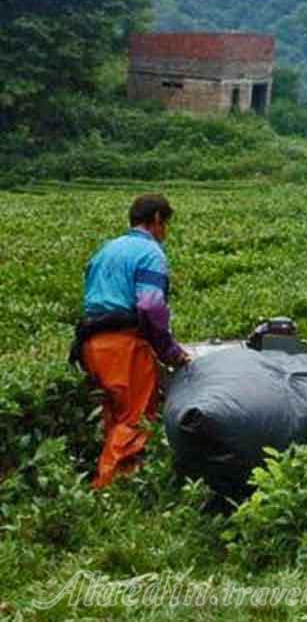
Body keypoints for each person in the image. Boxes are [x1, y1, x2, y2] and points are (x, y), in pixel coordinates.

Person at [70, 194, 189, 489]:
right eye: (166, 224)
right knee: (135, 419)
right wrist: (169, 351)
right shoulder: (150, 253)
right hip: (122, 344)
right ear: (158, 220)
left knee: (116, 417)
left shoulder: (106, 250)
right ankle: (110, 493)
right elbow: (150, 305)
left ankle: (113, 480)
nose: (165, 232)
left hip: (91, 345)